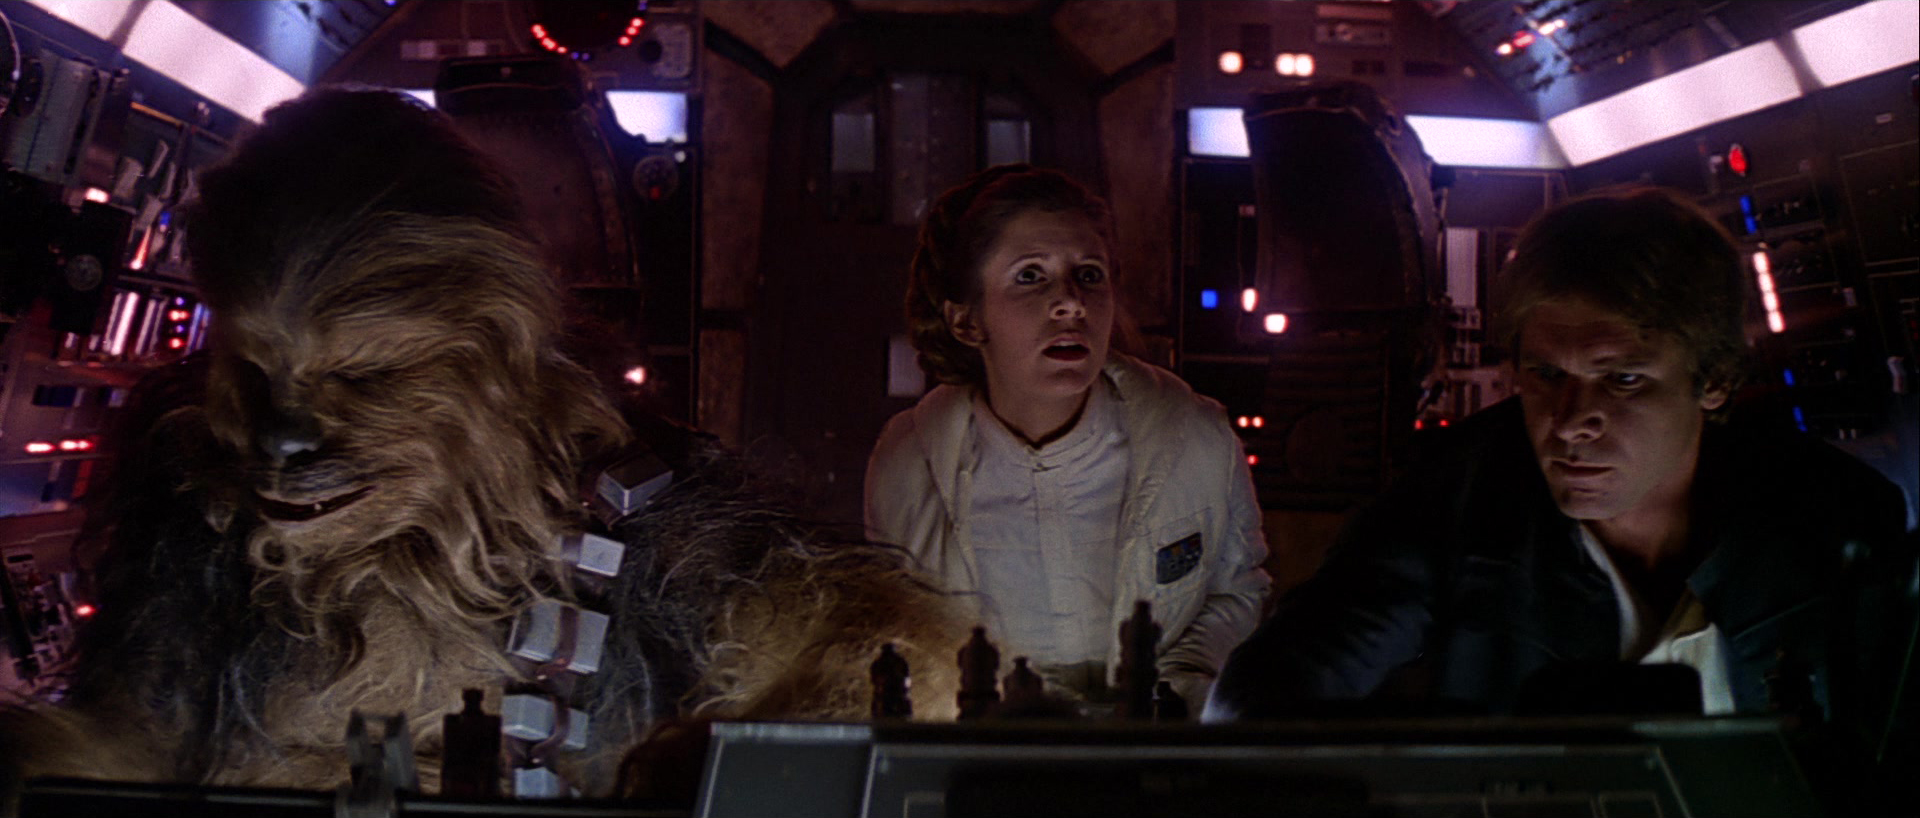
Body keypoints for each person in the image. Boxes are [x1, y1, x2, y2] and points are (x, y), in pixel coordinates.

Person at [0, 88, 967, 799]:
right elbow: (118, 748)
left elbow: (901, 651)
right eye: (254, 373)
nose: (282, 439)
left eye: (366, 378)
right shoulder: (189, 507)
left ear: (497, 350)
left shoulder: (631, 503)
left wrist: (742, 765)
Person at [1205, 187, 1915, 810]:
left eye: (1622, 380)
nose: (1571, 420)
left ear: (1715, 381)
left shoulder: (1835, 522)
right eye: (1546, 374)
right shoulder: (1457, 495)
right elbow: (1267, 694)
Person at [865, 164, 1272, 709]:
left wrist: (1171, 694)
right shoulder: (909, 462)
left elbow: (1236, 587)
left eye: (1089, 275)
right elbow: (898, 622)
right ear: (967, 322)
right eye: (1030, 276)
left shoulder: (1195, 438)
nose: (1071, 303)